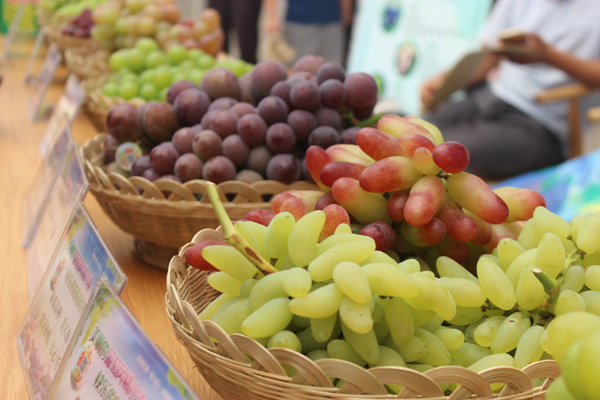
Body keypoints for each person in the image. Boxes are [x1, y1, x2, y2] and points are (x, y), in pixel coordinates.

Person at [420, 0, 600, 179]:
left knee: (443, 152)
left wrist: (548, 56)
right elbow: (488, 56)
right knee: (414, 132)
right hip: (488, 96)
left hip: (538, 123)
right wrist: (443, 82)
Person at [263, 0, 353, 65]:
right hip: (299, 21)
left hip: (333, 20)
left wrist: (346, 9)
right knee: (299, 70)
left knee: (332, 69)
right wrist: (272, 16)